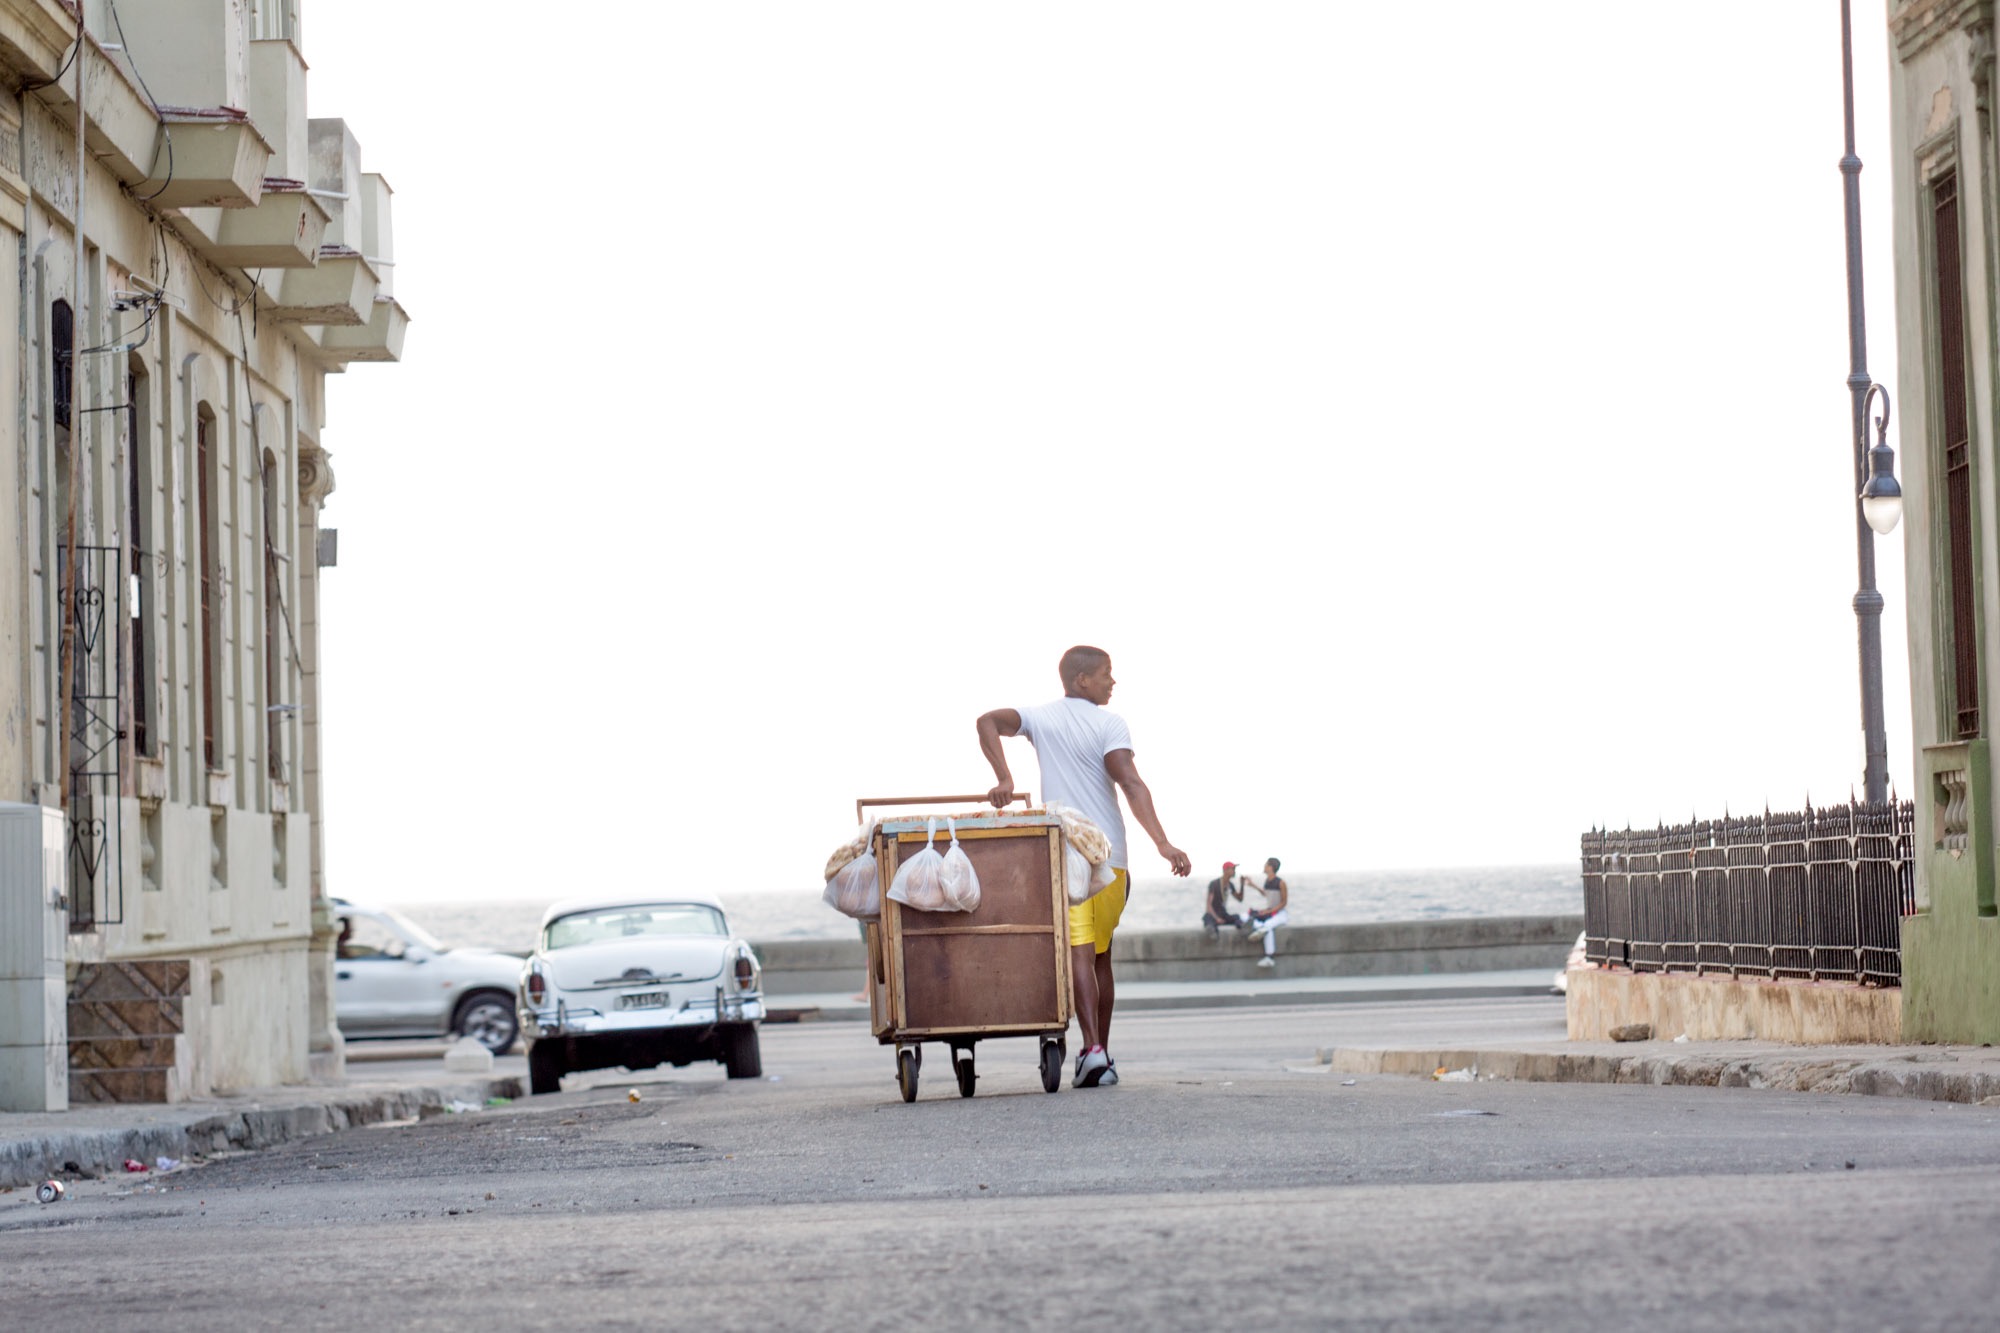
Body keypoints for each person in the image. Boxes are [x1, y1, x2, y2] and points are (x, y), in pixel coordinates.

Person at [978, 645, 1191, 1088]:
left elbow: (987, 721)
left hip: (1065, 856)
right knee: (1100, 957)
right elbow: (1130, 782)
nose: (1113, 682)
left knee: (1080, 950)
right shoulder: (1109, 724)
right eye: (1106, 674)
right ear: (1082, 681)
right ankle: (1101, 1055)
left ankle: (1093, 1051)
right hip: (1111, 857)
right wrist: (1162, 842)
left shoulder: (1039, 717)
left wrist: (1004, 776)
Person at [1247, 857, 1289, 967]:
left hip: (1280, 914)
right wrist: (1253, 885)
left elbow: (1284, 902)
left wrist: (1270, 911)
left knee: (1267, 926)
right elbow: (1266, 894)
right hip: (1270, 913)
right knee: (1266, 927)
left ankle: (1269, 956)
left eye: (1266, 864)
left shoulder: (1281, 883)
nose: (1264, 866)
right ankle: (1269, 957)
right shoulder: (1267, 881)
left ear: (1270, 867)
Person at [1203, 861, 1250, 938]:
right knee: (1208, 918)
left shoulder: (1230, 885)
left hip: (1222, 913)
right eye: (1233, 869)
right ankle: (1211, 930)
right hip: (1213, 914)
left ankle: (1243, 927)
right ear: (1226, 870)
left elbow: (1240, 899)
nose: (1234, 871)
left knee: (1236, 917)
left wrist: (1242, 884)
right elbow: (1209, 905)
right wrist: (1217, 918)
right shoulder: (1214, 884)